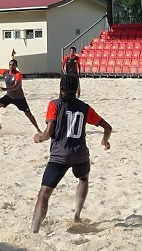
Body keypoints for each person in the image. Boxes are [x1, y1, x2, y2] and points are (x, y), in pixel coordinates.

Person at [30, 74, 112, 233]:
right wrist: (104, 141)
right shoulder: (85, 107)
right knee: (83, 179)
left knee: (44, 193)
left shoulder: (54, 105)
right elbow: (107, 128)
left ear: (60, 88)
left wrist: (39, 138)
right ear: (77, 89)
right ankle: (76, 215)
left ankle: (34, 230)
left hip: (60, 156)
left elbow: (49, 131)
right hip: (80, 155)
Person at [0, 59, 41, 133]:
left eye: (13, 65)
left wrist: (6, 89)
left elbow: (16, 86)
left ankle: (38, 129)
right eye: (10, 65)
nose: (11, 66)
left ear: (16, 66)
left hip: (19, 98)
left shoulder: (18, 74)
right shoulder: (5, 72)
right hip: (9, 96)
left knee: (29, 115)